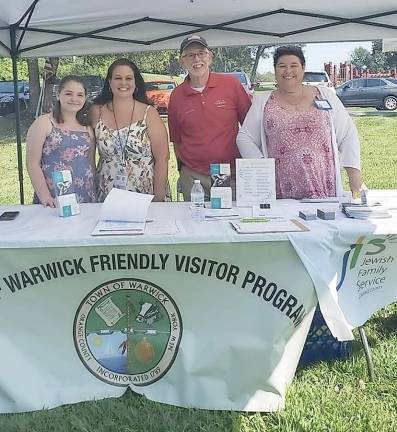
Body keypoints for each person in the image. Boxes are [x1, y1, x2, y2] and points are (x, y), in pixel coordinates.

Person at [237, 45, 363, 199]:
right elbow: (244, 138)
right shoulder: (263, 102)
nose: (288, 71)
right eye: (282, 66)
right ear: (275, 70)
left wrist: (354, 175)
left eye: (294, 65)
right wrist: (262, 167)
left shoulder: (324, 96)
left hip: (324, 192)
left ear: (303, 68)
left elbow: (348, 135)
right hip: (281, 194)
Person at [168, 35, 252, 200]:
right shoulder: (176, 96)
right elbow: (176, 140)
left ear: (210, 57)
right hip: (193, 176)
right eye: (190, 55)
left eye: (201, 53)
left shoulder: (231, 85)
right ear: (182, 62)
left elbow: (250, 129)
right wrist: (182, 169)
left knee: (227, 221)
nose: (196, 59)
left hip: (228, 173)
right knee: (195, 222)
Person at [90, 58, 169, 202]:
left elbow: (162, 158)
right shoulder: (96, 111)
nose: (123, 83)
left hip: (145, 192)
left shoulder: (149, 113)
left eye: (128, 78)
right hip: (107, 192)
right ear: (109, 82)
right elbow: (89, 158)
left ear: (135, 82)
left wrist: (158, 198)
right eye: (118, 78)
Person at [26, 75, 96, 207]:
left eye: (80, 95)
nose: (74, 99)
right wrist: (45, 196)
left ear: (85, 98)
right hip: (54, 197)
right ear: (58, 95)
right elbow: (32, 163)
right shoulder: (44, 123)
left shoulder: (87, 128)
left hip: (85, 194)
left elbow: (91, 164)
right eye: (68, 93)